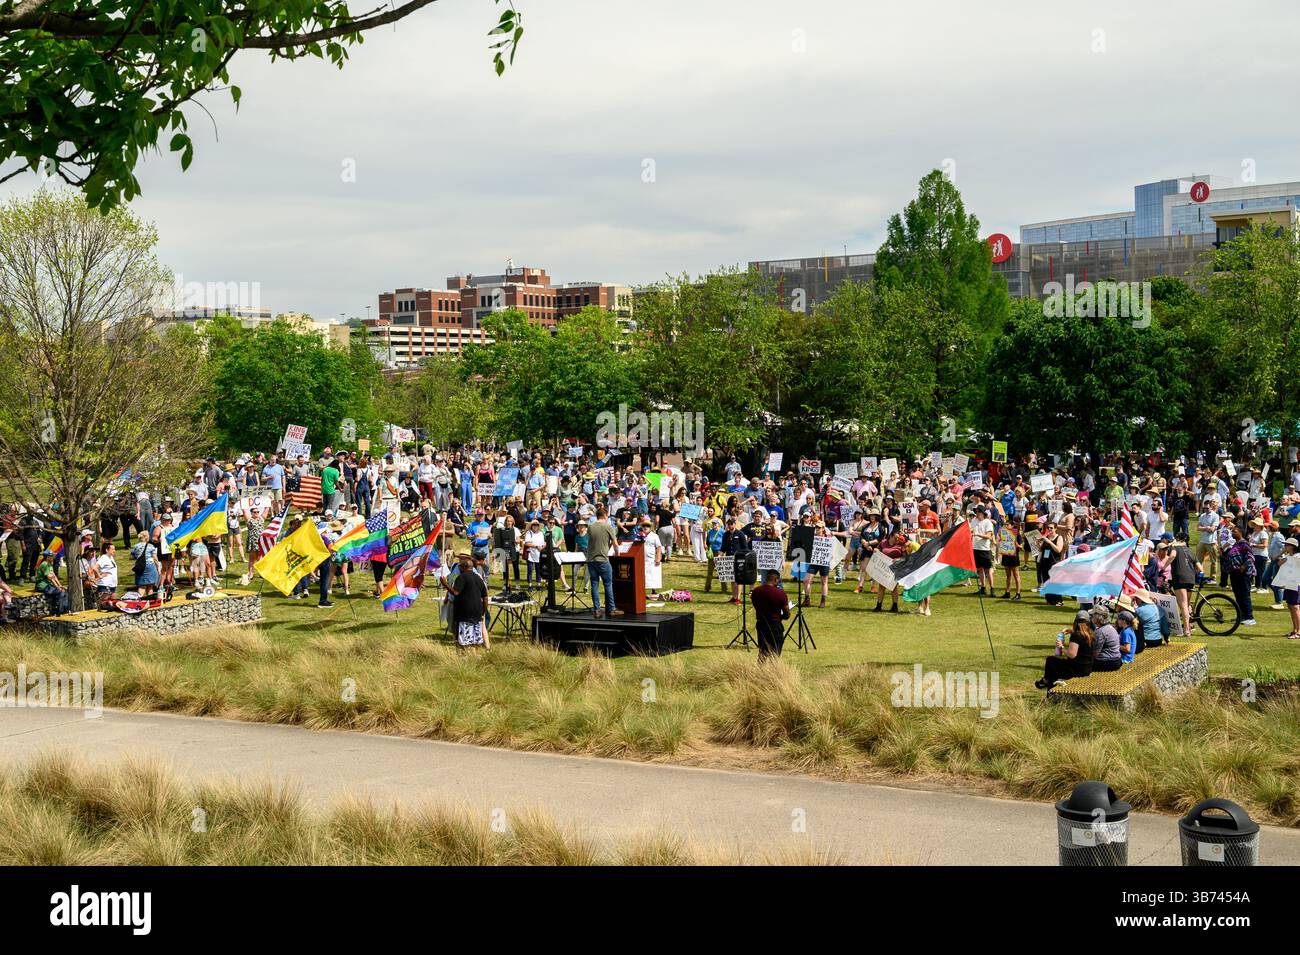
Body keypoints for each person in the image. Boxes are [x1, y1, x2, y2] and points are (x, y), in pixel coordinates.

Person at [1035, 611, 1095, 689]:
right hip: (1087, 668)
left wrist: (1061, 647)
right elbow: (1082, 641)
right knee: (1054, 668)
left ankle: (1046, 682)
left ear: (1075, 622)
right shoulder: (1090, 634)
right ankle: (1046, 683)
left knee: (1051, 661)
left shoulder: (1076, 636)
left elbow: (1072, 654)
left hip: (1076, 670)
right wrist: (1072, 632)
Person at [446, 553, 490, 649]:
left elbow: (456, 593)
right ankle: (476, 654)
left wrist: (444, 584)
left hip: (464, 612)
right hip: (477, 611)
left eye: (461, 566)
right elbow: (485, 597)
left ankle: (464, 656)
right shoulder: (478, 578)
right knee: (476, 639)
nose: (460, 567)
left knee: (464, 640)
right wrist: (483, 611)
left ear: (465, 567)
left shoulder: (461, 577)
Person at [585, 505, 621, 618]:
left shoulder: (590, 527)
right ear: (605, 515)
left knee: (594, 584)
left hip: (591, 559)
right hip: (603, 559)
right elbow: (615, 543)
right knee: (608, 584)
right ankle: (611, 609)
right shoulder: (608, 526)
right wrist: (617, 553)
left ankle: (597, 610)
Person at [750, 569, 791, 660]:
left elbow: (756, 605)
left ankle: (760, 671)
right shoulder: (780, 593)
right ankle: (773, 672)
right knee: (775, 653)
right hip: (774, 625)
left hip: (761, 624)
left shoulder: (756, 591)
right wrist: (781, 616)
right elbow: (787, 614)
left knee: (762, 651)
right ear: (776, 580)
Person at [1222, 525, 1258, 626]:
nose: (1232, 533)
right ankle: (1241, 616)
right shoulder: (1235, 544)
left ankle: (1249, 617)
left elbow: (1251, 557)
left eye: (1234, 531)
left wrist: (1244, 566)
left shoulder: (1244, 544)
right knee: (1238, 596)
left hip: (1243, 574)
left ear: (1240, 533)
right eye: (1232, 531)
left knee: (1244, 595)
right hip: (1235, 573)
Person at [969, 505, 996, 595]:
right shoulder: (974, 521)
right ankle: (983, 588)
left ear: (983, 513)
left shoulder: (987, 522)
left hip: (984, 549)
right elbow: (971, 530)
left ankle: (992, 589)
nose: (976, 513)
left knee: (988, 570)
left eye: (978, 512)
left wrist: (977, 534)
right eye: (976, 512)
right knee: (979, 569)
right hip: (975, 548)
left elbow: (988, 536)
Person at [1089, 606, 1123, 672]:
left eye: (1093, 615)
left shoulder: (1101, 632)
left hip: (1108, 662)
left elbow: (1095, 653)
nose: (1091, 616)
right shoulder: (1110, 627)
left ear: (1098, 617)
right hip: (1117, 659)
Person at [130, 530, 160, 597]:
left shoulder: (136, 546)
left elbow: (131, 557)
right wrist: (158, 567)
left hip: (140, 566)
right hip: (150, 566)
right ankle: (150, 600)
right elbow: (155, 558)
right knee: (150, 586)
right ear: (147, 537)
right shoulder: (151, 546)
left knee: (141, 586)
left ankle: (140, 601)